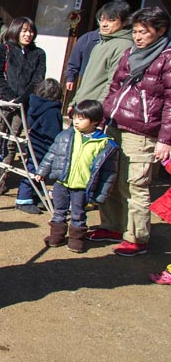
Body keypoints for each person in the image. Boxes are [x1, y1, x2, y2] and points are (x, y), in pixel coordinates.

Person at [93, 6, 171, 256]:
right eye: (135, 31)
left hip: (143, 131)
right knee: (111, 180)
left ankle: (137, 237)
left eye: (143, 32)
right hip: (116, 124)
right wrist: (103, 117)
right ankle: (112, 225)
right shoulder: (130, 53)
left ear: (160, 31)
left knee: (135, 185)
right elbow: (114, 86)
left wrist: (165, 139)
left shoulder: (167, 58)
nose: (137, 37)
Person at [36, 100, 118, 253]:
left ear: (94, 121)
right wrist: (42, 171)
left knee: (78, 214)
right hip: (62, 182)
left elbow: (109, 172)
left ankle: (76, 241)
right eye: (75, 117)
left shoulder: (105, 143)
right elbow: (52, 154)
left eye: (81, 118)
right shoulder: (66, 135)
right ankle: (56, 237)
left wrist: (101, 194)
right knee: (58, 210)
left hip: (83, 186)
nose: (76, 121)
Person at [0, 17, 46, 193]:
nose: (28, 34)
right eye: (24, 30)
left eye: (31, 31)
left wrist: (21, 99)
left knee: (14, 143)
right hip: (2, 102)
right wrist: (10, 97)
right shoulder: (4, 49)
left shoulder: (39, 53)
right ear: (16, 30)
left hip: (23, 105)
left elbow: (37, 80)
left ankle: (1, 180)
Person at [69, 0, 133, 112]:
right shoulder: (101, 42)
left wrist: (99, 110)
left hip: (95, 110)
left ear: (125, 22)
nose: (104, 24)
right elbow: (88, 79)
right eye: (101, 20)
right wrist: (75, 101)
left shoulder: (124, 46)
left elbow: (113, 83)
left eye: (111, 20)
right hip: (84, 106)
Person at [15, 78, 64, 214]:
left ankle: (34, 195)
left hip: (34, 143)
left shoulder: (35, 105)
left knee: (35, 170)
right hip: (44, 146)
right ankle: (23, 199)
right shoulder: (52, 111)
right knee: (33, 172)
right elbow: (53, 133)